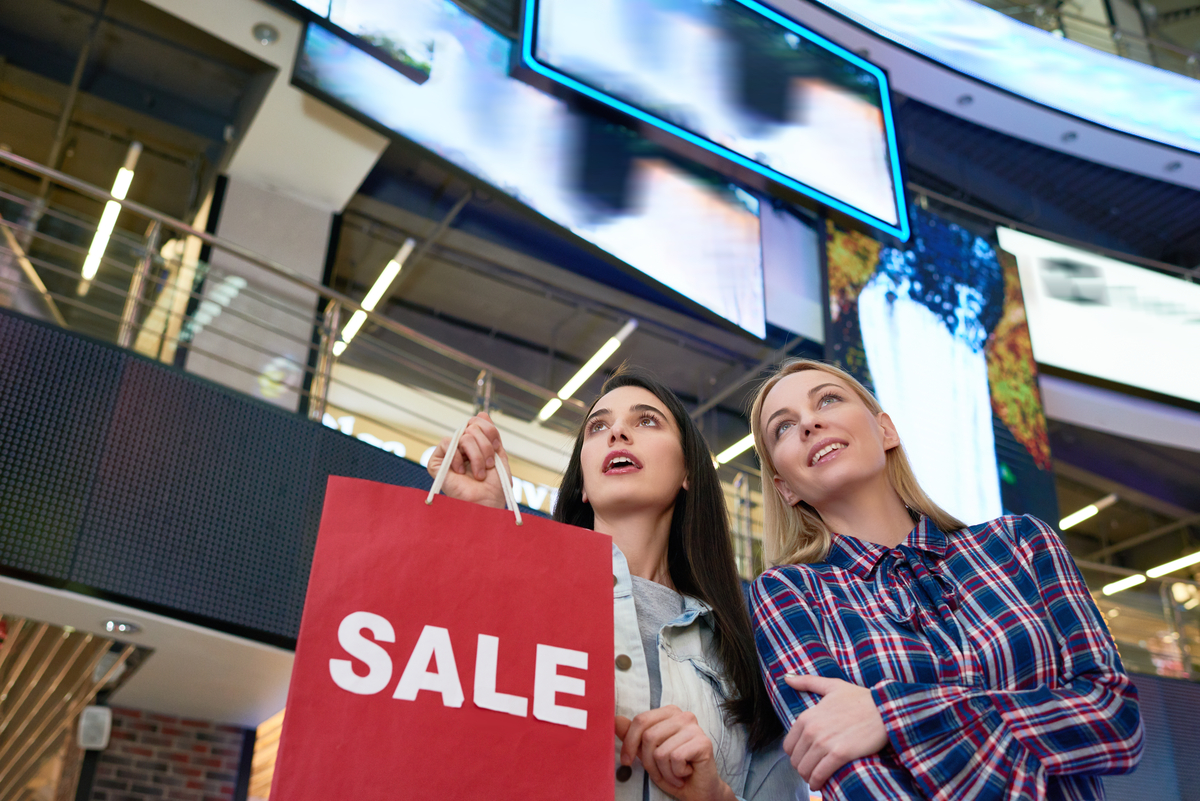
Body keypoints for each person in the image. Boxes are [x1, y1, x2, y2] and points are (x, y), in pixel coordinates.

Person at [745, 358, 1143, 800]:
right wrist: (1031, 726)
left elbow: (1115, 719)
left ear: (886, 431)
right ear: (786, 488)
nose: (810, 423)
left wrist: (890, 715)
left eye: (828, 399)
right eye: (783, 427)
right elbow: (857, 781)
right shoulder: (788, 594)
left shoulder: (1022, 542)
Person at [427, 366, 801, 801]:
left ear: (688, 473)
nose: (617, 432)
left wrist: (714, 796)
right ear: (582, 484)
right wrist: (479, 529)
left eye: (646, 421)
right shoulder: (523, 591)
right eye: (598, 427)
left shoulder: (749, 649)